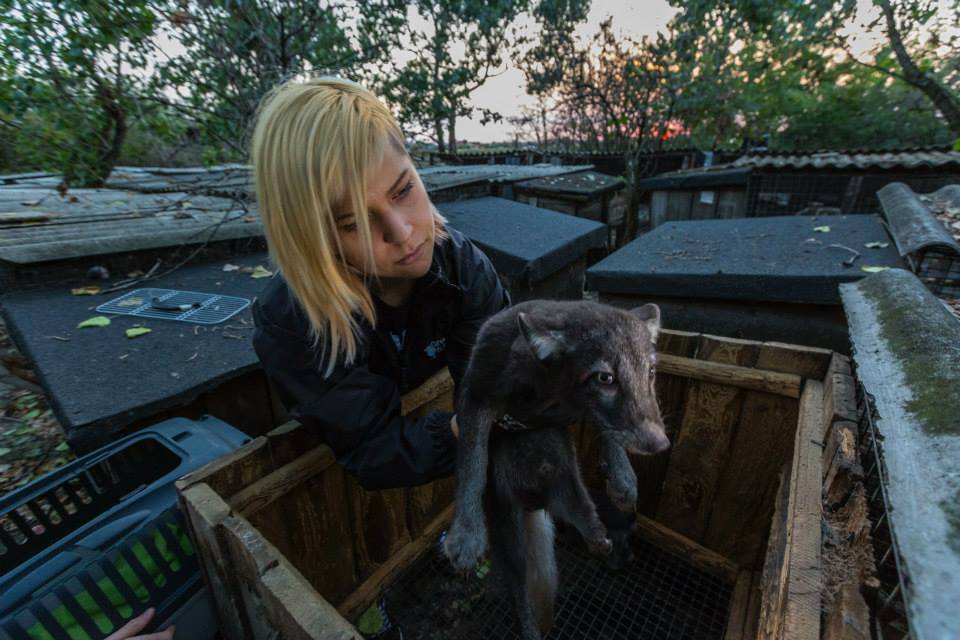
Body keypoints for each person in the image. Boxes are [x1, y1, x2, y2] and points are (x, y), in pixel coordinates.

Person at [250, 77, 510, 490]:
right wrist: (470, 431)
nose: (403, 233)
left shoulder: (464, 269)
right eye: (353, 223)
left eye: (404, 189)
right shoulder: (291, 322)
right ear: (312, 238)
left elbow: (487, 379)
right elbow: (370, 447)